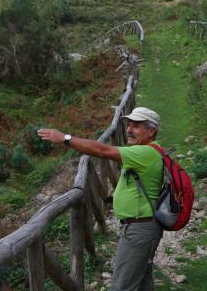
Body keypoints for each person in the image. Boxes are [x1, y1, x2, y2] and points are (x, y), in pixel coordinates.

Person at [38, 107, 164, 291]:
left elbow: (102, 150)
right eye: (128, 125)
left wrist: (65, 138)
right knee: (142, 283)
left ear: (151, 131)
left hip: (138, 229)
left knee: (122, 287)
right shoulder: (150, 151)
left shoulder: (144, 154)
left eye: (136, 126)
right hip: (143, 227)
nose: (129, 130)